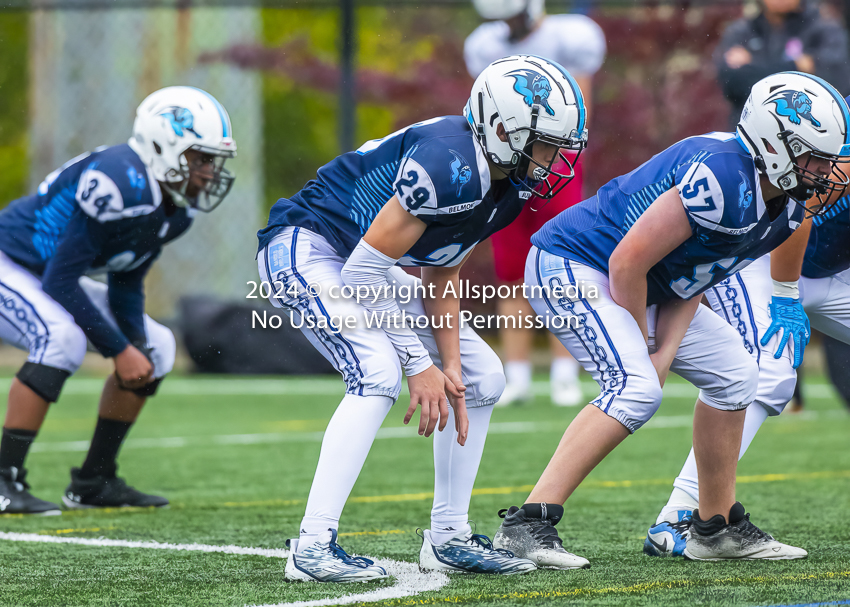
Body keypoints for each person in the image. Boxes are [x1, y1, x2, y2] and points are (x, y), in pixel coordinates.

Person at [491, 72, 850, 566]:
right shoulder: (724, 178)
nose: (824, 171)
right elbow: (627, 262)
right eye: (813, 156)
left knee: (738, 374)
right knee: (636, 387)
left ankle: (714, 526)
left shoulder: (783, 207)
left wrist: (666, 347)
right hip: (574, 262)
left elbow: (695, 274)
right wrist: (643, 347)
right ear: (773, 142)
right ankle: (527, 524)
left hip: (646, 281)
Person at [257, 55, 587, 582]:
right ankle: (313, 546)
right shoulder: (447, 163)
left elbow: (442, 273)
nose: (553, 158)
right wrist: (417, 363)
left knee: (483, 376)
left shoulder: (505, 182)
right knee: (377, 373)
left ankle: (450, 536)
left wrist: (449, 364)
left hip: (364, 262)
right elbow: (365, 270)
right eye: (544, 142)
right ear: (502, 130)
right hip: (310, 247)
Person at [0, 86, 237, 515]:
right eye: (200, 159)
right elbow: (61, 281)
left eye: (212, 162)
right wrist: (119, 350)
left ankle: (93, 480)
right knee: (62, 339)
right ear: (165, 145)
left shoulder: (175, 207)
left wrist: (134, 346)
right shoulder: (116, 179)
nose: (207, 173)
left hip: (47, 273)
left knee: (158, 348)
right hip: (11, 261)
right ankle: (4, 479)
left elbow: (125, 282)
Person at [645, 95, 850, 556]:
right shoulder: (837, 123)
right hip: (766, 259)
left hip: (832, 268)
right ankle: (681, 517)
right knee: (770, 373)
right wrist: (784, 294)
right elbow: (803, 202)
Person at [465, 0, 606, 406]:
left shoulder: (569, 36)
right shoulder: (486, 44)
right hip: (506, 165)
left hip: (556, 161)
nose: (506, 25)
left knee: (563, 263)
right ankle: (518, 375)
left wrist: (552, 157)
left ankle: (565, 372)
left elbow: (581, 113)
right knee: (511, 271)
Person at [716, 0, 850, 128]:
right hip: (750, 133)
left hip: (810, 134)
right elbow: (731, 84)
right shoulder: (740, 31)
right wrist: (797, 67)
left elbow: (834, 83)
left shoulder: (825, 28)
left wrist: (752, 66)